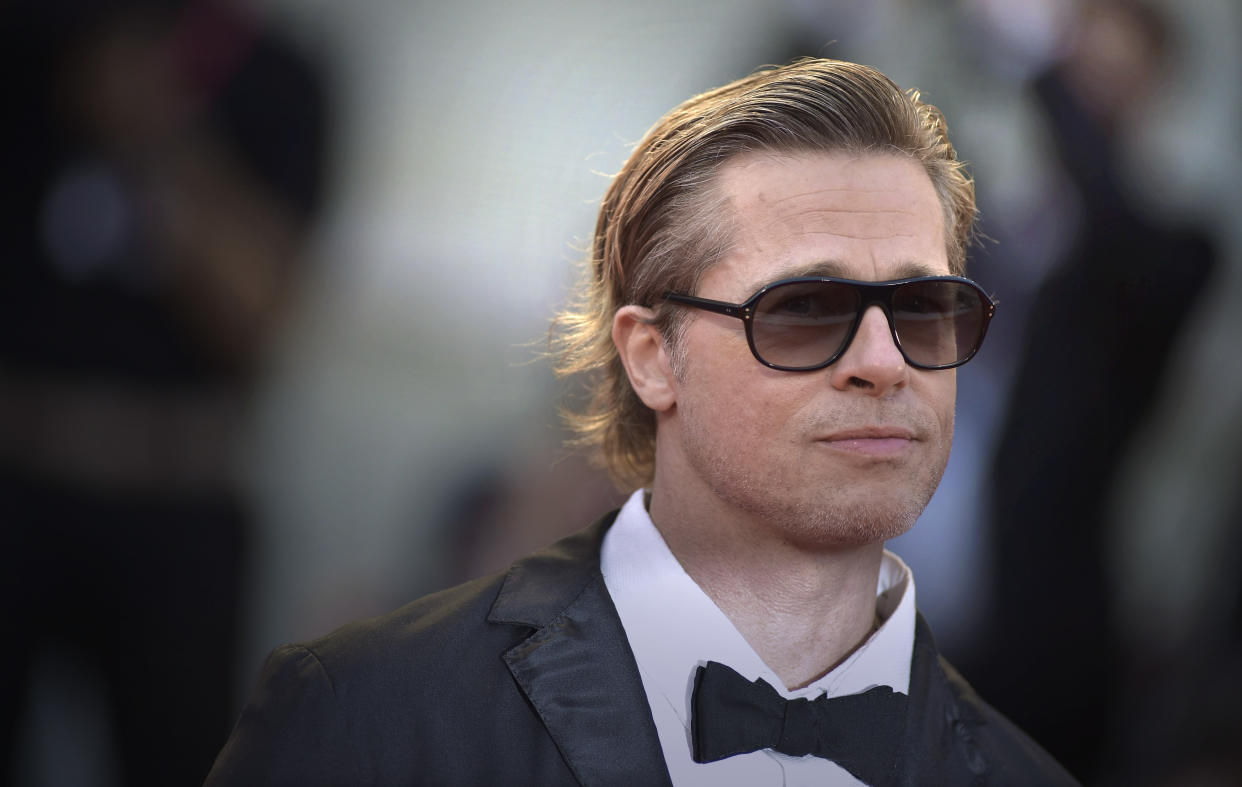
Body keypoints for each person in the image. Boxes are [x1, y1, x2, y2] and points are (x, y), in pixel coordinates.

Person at [205, 58, 1077, 786]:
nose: (885, 362)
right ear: (652, 356)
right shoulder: (368, 724)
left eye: (927, 307)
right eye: (806, 306)